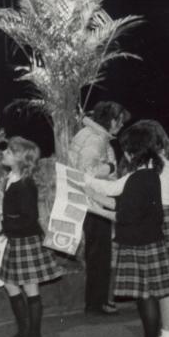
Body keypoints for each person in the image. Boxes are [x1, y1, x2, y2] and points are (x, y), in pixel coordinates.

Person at [89, 120, 169, 337]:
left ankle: (167, 336)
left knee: (162, 285)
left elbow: (117, 190)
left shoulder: (148, 165)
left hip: (155, 219)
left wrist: (86, 182)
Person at [0, 137, 61, 337]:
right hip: (16, 240)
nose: (4, 152)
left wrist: (2, 225)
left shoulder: (25, 184)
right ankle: (23, 332)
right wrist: (3, 224)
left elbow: (28, 217)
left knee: (30, 288)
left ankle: (33, 336)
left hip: (26, 240)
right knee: (10, 283)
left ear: (20, 158)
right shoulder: (11, 179)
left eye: (10, 151)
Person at [68, 101, 130, 315]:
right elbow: (88, 171)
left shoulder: (89, 134)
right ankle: (97, 302)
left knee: (97, 253)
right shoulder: (96, 140)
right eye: (120, 121)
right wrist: (113, 167)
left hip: (89, 201)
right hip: (95, 202)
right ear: (112, 120)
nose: (121, 125)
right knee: (99, 254)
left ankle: (97, 300)